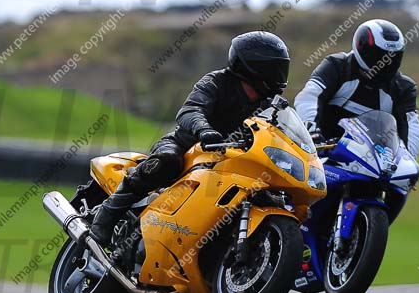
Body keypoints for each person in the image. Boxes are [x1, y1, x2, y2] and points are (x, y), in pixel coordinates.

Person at [89, 31, 291, 246]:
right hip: (187, 147)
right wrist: (204, 130)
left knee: (273, 196)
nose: (278, 74)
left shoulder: (273, 105)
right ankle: (107, 215)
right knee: (165, 162)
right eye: (273, 68)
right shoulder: (217, 81)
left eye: (281, 67)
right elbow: (190, 110)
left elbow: (283, 132)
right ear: (252, 67)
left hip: (233, 162)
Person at [294, 19, 419, 220]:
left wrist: (408, 159)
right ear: (361, 48)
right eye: (378, 56)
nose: (385, 63)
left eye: (392, 57)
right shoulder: (336, 66)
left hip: (370, 160)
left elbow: (412, 126)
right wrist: (311, 129)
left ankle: (366, 234)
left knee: (399, 190)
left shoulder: (403, 87)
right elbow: (309, 96)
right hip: (320, 150)